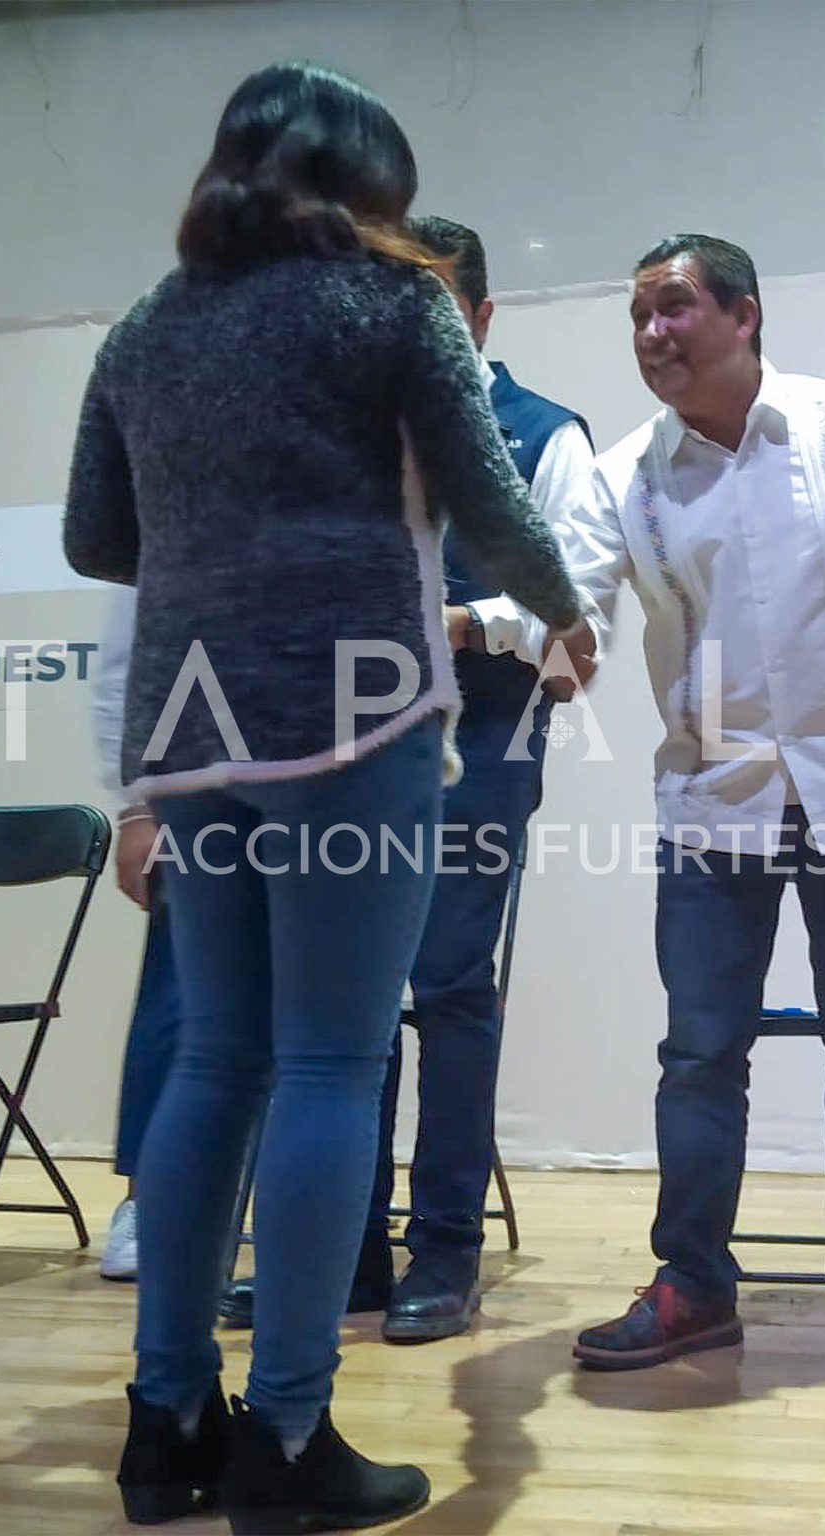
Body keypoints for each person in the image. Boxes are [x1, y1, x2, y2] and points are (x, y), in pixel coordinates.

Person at [63, 61, 586, 1534]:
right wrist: (568, 615)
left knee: (215, 1058)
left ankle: (166, 1428)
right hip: (352, 711)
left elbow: (99, 534)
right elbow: (490, 501)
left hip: (190, 717)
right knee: (332, 1067)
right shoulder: (392, 301)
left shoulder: (144, 326)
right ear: (366, 187)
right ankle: (286, 1438)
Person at [533, 234, 825, 1392]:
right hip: (710, 804)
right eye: (635, 315)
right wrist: (524, 630)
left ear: (743, 315)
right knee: (698, 1056)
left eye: (672, 307)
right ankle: (690, 1285)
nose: (650, 333)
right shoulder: (625, 472)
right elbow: (563, 588)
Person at [218, 215, 598, 1345]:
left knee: (444, 987)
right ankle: (345, 1256)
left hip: (480, 739)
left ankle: (445, 1252)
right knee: (343, 1005)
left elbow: (568, 599)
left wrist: (463, 623)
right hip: (345, 746)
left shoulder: (542, 434)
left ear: (476, 317)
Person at [89, 586, 182, 1283]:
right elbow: (127, 664)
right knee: (177, 1004)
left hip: (337, 783)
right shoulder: (170, 490)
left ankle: (290, 1208)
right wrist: (136, 807)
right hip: (199, 786)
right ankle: (150, 1204)